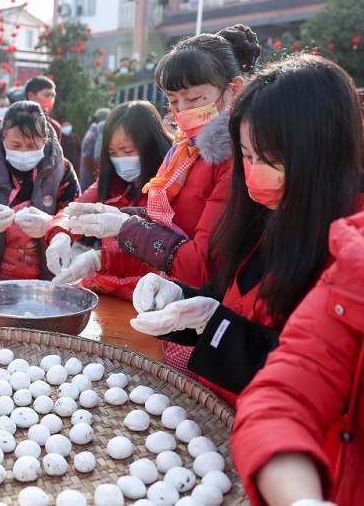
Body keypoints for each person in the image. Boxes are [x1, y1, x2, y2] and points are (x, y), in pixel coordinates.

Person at [127, 55, 364, 405]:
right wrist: (180, 298)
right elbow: (229, 298)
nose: (253, 172)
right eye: (248, 157)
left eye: (269, 158)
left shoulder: (349, 252)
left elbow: (315, 380)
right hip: (221, 411)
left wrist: (215, 326)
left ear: (322, 153)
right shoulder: (264, 211)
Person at [54, 28, 260, 376]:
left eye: (193, 100)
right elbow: (162, 224)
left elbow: (199, 261)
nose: (181, 111)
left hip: (214, 312)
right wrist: (108, 234)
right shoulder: (183, 151)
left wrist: (123, 226)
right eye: (173, 101)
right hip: (175, 299)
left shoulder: (233, 160)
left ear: (233, 90)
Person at [232, 210, 364, 506]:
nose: (253, 171)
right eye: (249, 160)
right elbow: (285, 394)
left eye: (262, 161)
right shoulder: (356, 262)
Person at [46, 101, 172, 296]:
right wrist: (61, 235)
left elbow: (166, 250)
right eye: (113, 153)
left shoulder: (172, 185)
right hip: (107, 289)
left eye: (128, 151)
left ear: (152, 145)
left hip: (152, 294)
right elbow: (74, 210)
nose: (121, 159)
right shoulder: (111, 182)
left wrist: (97, 260)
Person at [0, 100, 80, 280]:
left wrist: (51, 226)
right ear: (2, 136)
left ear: (45, 135)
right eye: (15, 145)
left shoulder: (62, 169)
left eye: (32, 146)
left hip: (47, 278)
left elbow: (76, 218)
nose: (24, 152)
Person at [79, 107, 111, 190]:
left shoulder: (95, 133)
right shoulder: (93, 135)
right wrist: (95, 174)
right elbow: (88, 158)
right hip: (90, 179)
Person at [24, 75, 62, 142]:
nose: (51, 100)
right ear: (31, 96)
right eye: (47, 95)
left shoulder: (55, 127)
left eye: (53, 96)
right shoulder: (16, 122)